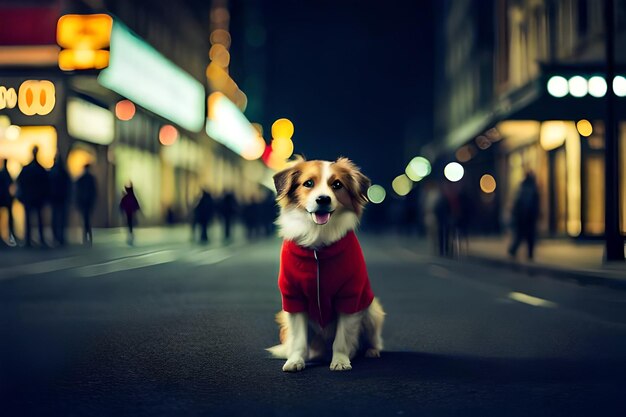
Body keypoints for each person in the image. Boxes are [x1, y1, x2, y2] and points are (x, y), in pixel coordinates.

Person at [16, 146, 48, 247]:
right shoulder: (40, 169)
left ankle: (29, 240)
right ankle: (38, 239)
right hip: (36, 198)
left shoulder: (27, 169)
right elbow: (45, 185)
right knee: (38, 219)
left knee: (30, 219)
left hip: (30, 198)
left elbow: (20, 182)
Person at [508, 172, 540, 260]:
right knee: (527, 236)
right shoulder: (531, 189)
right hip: (527, 217)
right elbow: (533, 204)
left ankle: (515, 251)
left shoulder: (522, 189)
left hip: (524, 217)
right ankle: (528, 254)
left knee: (522, 235)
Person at [49, 153, 71, 246]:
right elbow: (68, 185)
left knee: (55, 218)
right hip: (61, 198)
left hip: (55, 198)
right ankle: (60, 237)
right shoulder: (63, 172)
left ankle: (56, 237)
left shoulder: (53, 172)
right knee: (61, 218)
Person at [75, 164, 97, 245]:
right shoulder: (90, 179)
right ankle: (87, 235)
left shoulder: (82, 179)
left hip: (85, 202)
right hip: (86, 202)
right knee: (86, 219)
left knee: (85, 219)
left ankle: (86, 235)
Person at [0, 159, 16, 246]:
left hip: (5, 199)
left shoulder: (4, 173)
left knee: (7, 218)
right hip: (5, 199)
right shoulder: (5, 174)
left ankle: (10, 235)